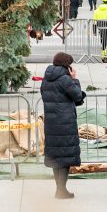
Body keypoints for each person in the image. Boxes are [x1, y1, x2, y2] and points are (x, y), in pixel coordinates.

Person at [41, 52, 86, 199]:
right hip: (65, 123)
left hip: (51, 123)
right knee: (66, 157)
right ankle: (61, 190)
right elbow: (77, 95)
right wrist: (75, 79)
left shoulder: (46, 79)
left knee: (55, 157)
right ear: (67, 66)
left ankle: (59, 189)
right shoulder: (65, 79)